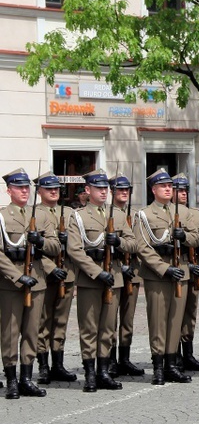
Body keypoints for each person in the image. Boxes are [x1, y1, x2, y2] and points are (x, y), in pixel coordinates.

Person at [67, 168, 135, 392]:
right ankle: (89, 374)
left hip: (113, 277)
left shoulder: (116, 214)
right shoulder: (78, 216)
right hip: (90, 279)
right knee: (89, 328)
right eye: (99, 188)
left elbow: (133, 244)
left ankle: (104, 372)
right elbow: (75, 250)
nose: (104, 192)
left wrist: (119, 243)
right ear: (88, 190)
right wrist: (96, 273)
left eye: (106, 188)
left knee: (107, 327)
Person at [0, 168, 60, 398]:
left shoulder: (42, 216)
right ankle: (12, 379)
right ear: (9, 191)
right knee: (10, 332)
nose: (24, 191)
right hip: (11, 283)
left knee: (32, 331)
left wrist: (41, 241)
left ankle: (27, 378)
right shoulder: (3, 217)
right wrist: (16, 276)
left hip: (37, 280)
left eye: (27, 187)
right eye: (19, 187)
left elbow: (55, 248)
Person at [133, 168, 193, 385]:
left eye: (170, 186)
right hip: (157, 274)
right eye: (163, 186)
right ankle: (158, 366)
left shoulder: (183, 212)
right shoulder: (144, 214)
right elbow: (142, 246)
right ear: (153, 190)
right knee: (158, 321)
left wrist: (184, 236)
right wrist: (163, 268)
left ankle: (171, 365)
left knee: (176, 321)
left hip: (180, 272)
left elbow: (196, 238)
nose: (168, 189)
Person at [34, 171, 78, 385]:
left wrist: (68, 240)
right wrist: (50, 267)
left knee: (60, 322)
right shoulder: (34, 213)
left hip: (67, 273)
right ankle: (42, 366)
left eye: (56, 189)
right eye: (49, 188)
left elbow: (80, 242)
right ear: (39, 191)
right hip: (44, 274)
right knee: (43, 321)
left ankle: (58, 365)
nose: (53, 192)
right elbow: (32, 250)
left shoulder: (70, 213)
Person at [107, 173, 145, 378]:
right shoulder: (107, 214)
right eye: (120, 189)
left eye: (126, 190)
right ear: (112, 192)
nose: (124, 193)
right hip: (114, 271)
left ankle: (125, 358)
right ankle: (110, 359)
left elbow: (139, 243)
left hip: (134, 272)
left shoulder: (137, 215)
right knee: (111, 318)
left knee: (127, 319)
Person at [172, 173, 199, 372]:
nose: (183, 194)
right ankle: (174, 353)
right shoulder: (168, 213)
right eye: (179, 190)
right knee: (176, 312)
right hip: (178, 266)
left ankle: (188, 353)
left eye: (185, 190)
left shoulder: (197, 214)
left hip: (192, 263)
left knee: (190, 312)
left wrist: (196, 264)